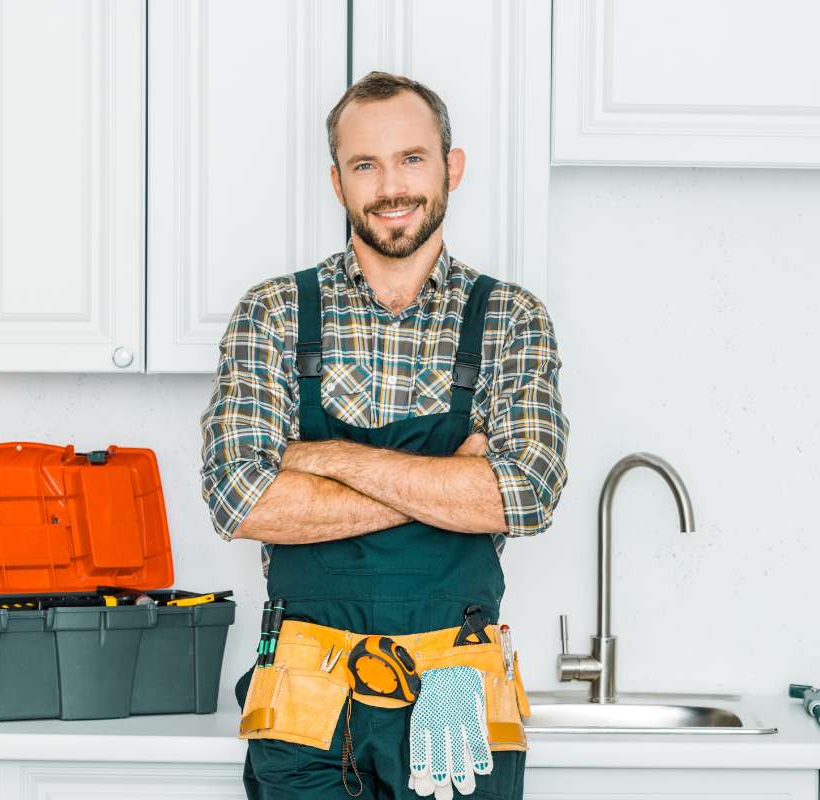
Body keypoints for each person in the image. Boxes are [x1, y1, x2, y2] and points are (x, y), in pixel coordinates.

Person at [200, 70, 568, 800]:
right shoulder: (274, 312)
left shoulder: (510, 319)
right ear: (337, 182)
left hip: (455, 683)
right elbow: (241, 501)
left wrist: (325, 459)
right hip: (304, 693)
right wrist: (448, 480)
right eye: (365, 164)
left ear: (450, 168)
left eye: (412, 158)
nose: (390, 185)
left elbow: (524, 496)